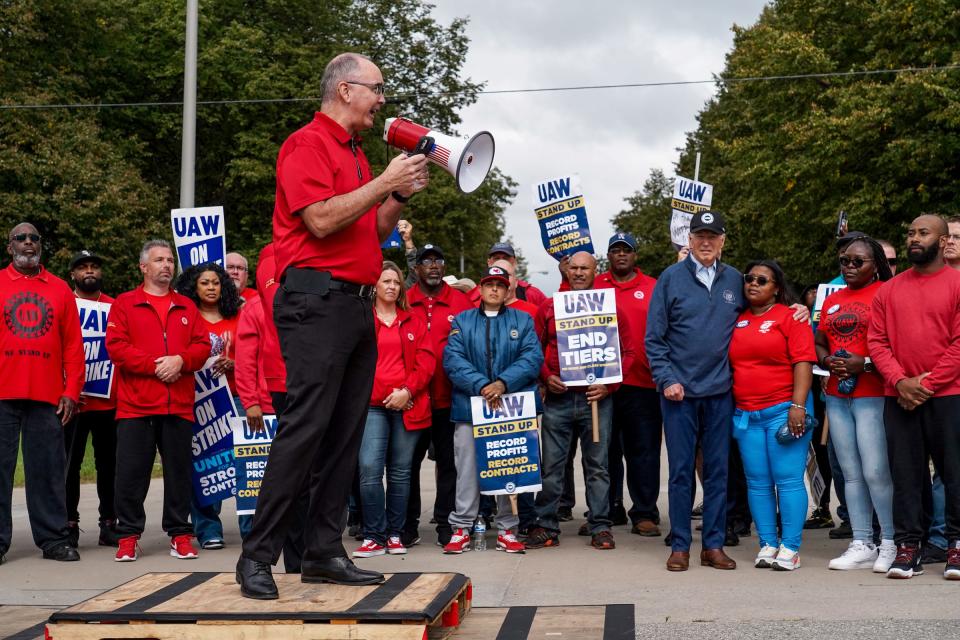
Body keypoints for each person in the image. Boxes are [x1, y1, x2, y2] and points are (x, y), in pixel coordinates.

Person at [237, 52, 430, 599]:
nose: (382, 101)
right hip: (315, 303)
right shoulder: (306, 144)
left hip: (355, 305)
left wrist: (395, 193)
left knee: (343, 436)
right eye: (376, 88)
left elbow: (372, 229)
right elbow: (320, 220)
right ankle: (257, 557)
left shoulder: (357, 155)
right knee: (304, 431)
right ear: (345, 90)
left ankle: (322, 551)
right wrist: (383, 182)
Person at [645, 211, 809, 572]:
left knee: (719, 471)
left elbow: (766, 309)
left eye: (713, 236)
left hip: (721, 394)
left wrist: (799, 308)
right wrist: (666, 378)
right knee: (681, 471)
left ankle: (714, 544)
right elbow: (654, 340)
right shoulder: (670, 279)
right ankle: (681, 545)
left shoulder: (736, 278)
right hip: (679, 394)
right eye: (699, 235)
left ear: (722, 241)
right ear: (689, 240)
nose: (706, 242)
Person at [105, 239, 211, 562]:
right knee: (130, 474)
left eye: (169, 260)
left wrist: (180, 360)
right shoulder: (125, 304)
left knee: (179, 473)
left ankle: (180, 534)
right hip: (136, 406)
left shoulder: (187, 307)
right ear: (144, 267)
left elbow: (202, 346)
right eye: (159, 260)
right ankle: (128, 536)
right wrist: (158, 365)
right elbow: (116, 347)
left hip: (177, 404)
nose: (167, 265)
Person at [868, 214, 960, 580]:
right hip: (898, 395)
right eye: (910, 232)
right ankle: (909, 546)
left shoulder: (957, 284)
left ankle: (956, 543)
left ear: (941, 241)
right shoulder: (889, 290)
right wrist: (900, 381)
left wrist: (926, 384)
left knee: (954, 472)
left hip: (949, 394)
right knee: (905, 475)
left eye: (923, 233)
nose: (914, 238)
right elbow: (876, 342)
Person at [526, 251, 635, 551]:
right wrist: (546, 377)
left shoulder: (611, 307)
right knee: (552, 466)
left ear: (595, 270)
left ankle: (600, 525)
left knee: (598, 466)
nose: (577, 273)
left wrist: (609, 385)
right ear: (565, 269)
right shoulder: (549, 307)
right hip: (558, 400)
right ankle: (546, 524)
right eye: (572, 267)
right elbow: (533, 350)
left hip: (596, 399)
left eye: (583, 268)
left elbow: (629, 353)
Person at [442, 265, 543, 554]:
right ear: (481, 289)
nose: (495, 289)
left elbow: (532, 358)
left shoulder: (523, 321)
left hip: (510, 408)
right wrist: (483, 385)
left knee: (508, 466)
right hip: (470, 407)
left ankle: (507, 530)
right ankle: (461, 527)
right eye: (489, 284)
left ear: (508, 288)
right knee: (467, 471)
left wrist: (502, 383)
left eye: (500, 284)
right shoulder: (462, 321)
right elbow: (453, 359)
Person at [0, 223, 84, 564]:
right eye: (21, 238)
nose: (29, 243)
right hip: (3, 393)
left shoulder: (61, 288)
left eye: (34, 238)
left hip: (47, 394)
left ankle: (53, 539)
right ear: (10, 247)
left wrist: (72, 391)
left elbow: (73, 346)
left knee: (48, 470)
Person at [815, 236, 897, 572]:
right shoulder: (834, 299)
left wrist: (863, 364)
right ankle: (861, 541)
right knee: (849, 473)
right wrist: (827, 360)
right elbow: (819, 339)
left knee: (876, 470)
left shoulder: (886, 295)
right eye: (844, 261)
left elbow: (896, 343)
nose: (849, 267)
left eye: (857, 261)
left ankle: (890, 541)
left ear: (875, 264)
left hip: (873, 393)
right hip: (837, 394)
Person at [728, 260, 816, 571]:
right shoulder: (737, 319)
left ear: (776, 287)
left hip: (784, 410)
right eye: (749, 278)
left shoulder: (791, 316)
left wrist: (799, 406)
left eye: (762, 280)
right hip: (746, 414)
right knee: (757, 482)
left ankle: (790, 547)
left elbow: (803, 362)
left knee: (789, 480)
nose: (753, 284)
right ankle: (767, 543)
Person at [353, 261, 434, 558]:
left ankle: (396, 534)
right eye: (385, 280)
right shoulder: (361, 318)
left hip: (407, 404)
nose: (391, 286)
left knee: (400, 473)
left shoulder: (411, 320)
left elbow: (426, 362)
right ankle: (373, 536)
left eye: (396, 282)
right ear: (374, 285)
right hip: (371, 407)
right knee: (369, 471)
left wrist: (407, 391)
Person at [404, 244, 473, 547]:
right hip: (412, 398)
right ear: (416, 269)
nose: (433, 266)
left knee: (449, 463)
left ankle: (446, 521)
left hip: (449, 397)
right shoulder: (405, 300)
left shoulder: (460, 302)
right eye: (426, 261)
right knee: (407, 464)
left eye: (438, 261)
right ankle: (407, 525)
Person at [175, 262, 247, 550]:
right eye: (204, 283)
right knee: (205, 465)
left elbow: (256, 355)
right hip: (200, 399)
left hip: (238, 398)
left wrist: (235, 363)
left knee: (243, 464)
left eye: (216, 282)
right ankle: (207, 528)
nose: (211, 287)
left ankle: (251, 528)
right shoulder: (186, 318)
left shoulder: (240, 317)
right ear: (194, 287)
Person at [595, 232, 662, 537]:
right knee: (604, 451)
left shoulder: (653, 287)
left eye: (627, 250)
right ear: (608, 256)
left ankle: (644, 512)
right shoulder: (595, 286)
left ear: (636, 255)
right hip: (603, 383)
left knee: (643, 451)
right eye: (615, 250)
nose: (621, 255)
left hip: (642, 382)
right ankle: (609, 509)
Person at [64, 250, 118, 548]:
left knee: (108, 464)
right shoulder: (64, 304)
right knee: (69, 466)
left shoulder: (114, 306)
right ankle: (68, 522)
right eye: (82, 267)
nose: (89, 271)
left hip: (107, 400)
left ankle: (108, 523)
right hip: (72, 400)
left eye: (94, 267)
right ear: (73, 274)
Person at [468, 242, 547, 307]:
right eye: (497, 258)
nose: (501, 261)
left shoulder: (532, 294)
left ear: (515, 263)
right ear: (489, 263)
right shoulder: (472, 296)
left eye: (506, 258)